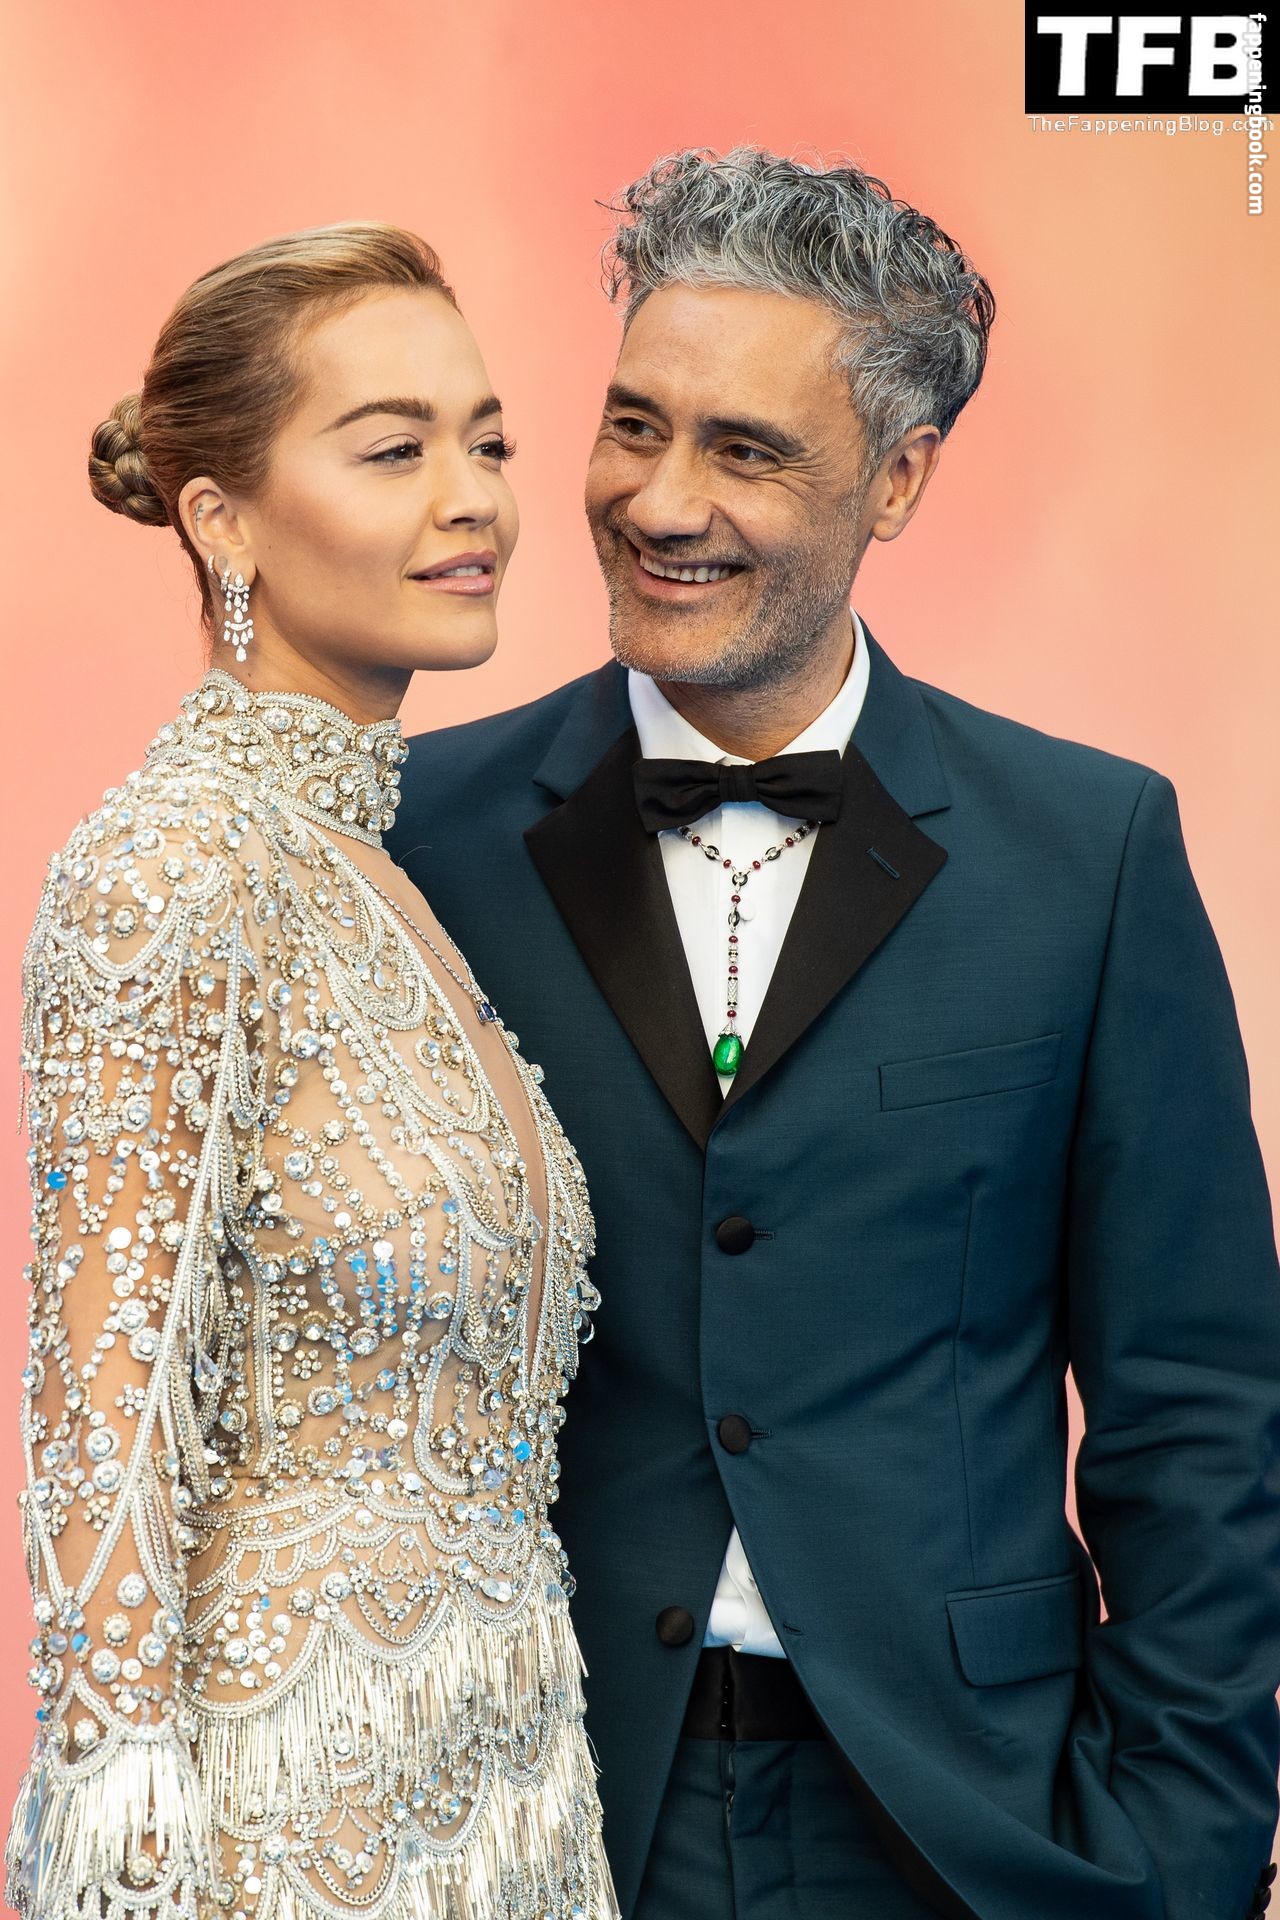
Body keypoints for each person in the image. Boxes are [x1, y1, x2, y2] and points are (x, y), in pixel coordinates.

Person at [385, 150, 1280, 1920]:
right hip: (539, 1816)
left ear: (899, 477)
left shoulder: (1091, 853)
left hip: (967, 1828)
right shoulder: (420, 840)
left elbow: (1197, 1412)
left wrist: (1181, 1856)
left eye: (745, 450)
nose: (660, 500)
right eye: (634, 425)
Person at [6, 223, 618, 1920]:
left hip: (511, 1803)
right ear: (222, 521)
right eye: (395, 450)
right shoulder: (175, 867)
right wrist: (129, 1849)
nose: (474, 499)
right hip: (286, 1825)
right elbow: (104, 1428)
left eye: (489, 441)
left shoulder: (380, 872)